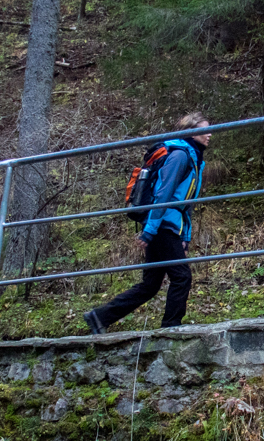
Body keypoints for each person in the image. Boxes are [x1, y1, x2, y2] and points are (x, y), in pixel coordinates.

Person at [85, 113, 212, 333]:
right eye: (205, 129)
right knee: (181, 277)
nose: (210, 134)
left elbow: (186, 203)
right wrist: (150, 231)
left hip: (168, 225)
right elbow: (164, 194)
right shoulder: (181, 156)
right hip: (162, 225)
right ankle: (170, 328)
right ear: (191, 131)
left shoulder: (193, 157)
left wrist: (185, 237)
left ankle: (99, 317)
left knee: (150, 285)